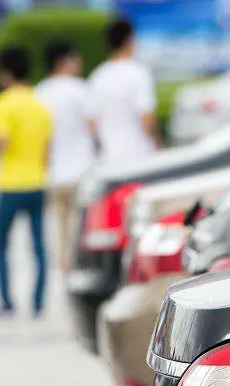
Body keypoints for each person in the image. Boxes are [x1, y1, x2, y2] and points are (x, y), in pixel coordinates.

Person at [0, 47, 52, 318]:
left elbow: (2, 141)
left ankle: (7, 302)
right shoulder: (40, 103)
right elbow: (48, 150)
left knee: (2, 246)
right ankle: (38, 302)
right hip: (37, 182)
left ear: (5, 72)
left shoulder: (3, 102)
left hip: (10, 184)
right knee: (38, 246)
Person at [36, 40, 95, 273]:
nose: (78, 62)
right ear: (63, 61)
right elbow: (93, 125)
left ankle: (64, 267)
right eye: (74, 58)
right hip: (81, 171)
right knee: (79, 227)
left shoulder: (40, 92)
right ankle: (77, 268)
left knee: (59, 226)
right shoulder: (80, 89)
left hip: (53, 173)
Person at [89, 17, 160, 164]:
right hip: (138, 155)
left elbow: (92, 122)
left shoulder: (97, 76)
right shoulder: (139, 72)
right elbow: (146, 118)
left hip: (108, 157)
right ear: (130, 39)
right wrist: (157, 143)